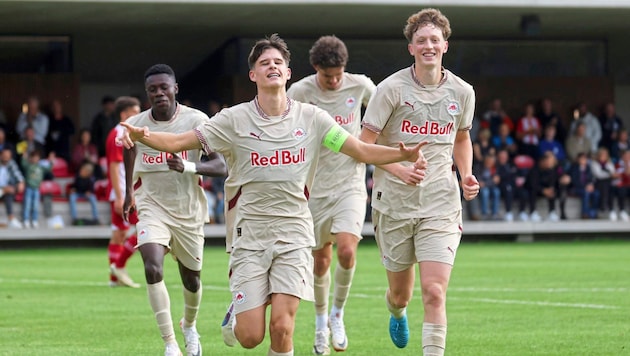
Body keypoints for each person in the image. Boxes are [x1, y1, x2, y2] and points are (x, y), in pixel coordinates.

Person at [119, 38, 426, 356]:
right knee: (251, 336)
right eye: (264, 63)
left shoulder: (313, 119)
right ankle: (238, 311)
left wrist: (398, 155)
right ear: (253, 75)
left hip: (294, 233)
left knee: (282, 327)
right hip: (249, 235)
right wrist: (145, 136)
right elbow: (179, 141)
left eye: (278, 62)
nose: (272, 67)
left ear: (289, 72)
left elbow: (359, 149)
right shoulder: (232, 120)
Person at [357, 9, 479, 355]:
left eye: (434, 40)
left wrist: (466, 173)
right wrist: (398, 168)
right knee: (401, 294)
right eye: (421, 41)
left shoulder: (462, 91)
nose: (428, 46)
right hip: (393, 203)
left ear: (445, 46)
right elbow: (364, 145)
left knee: (435, 291)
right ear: (411, 48)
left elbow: (461, 138)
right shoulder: (390, 89)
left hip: (441, 201)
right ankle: (396, 311)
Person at [121, 65, 228, 356]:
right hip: (151, 205)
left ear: (175, 89)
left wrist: (189, 166)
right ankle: (170, 344)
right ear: (147, 94)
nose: (159, 93)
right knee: (152, 266)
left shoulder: (196, 120)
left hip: (188, 211)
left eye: (164, 87)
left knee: (191, 278)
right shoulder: (136, 123)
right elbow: (129, 147)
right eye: (153, 89)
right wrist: (129, 191)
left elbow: (221, 166)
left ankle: (189, 326)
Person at [286, 34, 377, 355]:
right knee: (320, 261)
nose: (335, 80)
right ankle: (321, 322)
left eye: (338, 74)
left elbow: (384, 114)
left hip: (349, 184)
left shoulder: (360, 86)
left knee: (347, 251)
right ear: (315, 69)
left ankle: (338, 314)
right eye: (327, 76)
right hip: (312, 190)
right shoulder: (299, 92)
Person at [105, 96, 143, 289]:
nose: (138, 115)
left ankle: (114, 279)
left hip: (125, 191)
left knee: (119, 234)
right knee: (143, 230)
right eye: (134, 112)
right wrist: (121, 197)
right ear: (124, 114)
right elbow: (114, 166)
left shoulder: (129, 134)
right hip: (123, 193)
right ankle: (119, 267)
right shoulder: (119, 135)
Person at [20, 148, 50, 228]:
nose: (35, 159)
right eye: (33, 157)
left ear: (39, 158)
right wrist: (24, 156)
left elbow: (49, 168)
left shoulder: (41, 167)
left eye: (37, 157)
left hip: (37, 189)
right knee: (27, 204)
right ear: (31, 158)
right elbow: (23, 163)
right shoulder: (28, 166)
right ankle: (26, 220)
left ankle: (34, 220)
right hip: (29, 188)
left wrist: (51, 161)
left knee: (35, 205)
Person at [68, 160, 100, 225]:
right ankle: (74, 218)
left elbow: (92, 189)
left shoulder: (91, 179)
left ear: (88, 173)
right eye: (81, 170)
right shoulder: (77, 177)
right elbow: (74, 186)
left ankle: (96, 218)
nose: (81, 172)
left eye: (83, 171)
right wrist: (73, 189)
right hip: (78, 193)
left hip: (86, 194)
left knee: (93, 198)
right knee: (72, 197)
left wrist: (89, 192)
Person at [45, 99, 76, 164]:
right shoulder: (48, 120)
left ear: (61, 107)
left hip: (64, 151)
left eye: (57, 106)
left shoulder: (66, 120)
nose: (56, 108)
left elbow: (72, 131)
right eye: (54, 107)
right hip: (51, 151)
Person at [0, 147, 25, 228]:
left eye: (8, 156)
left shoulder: (11, 163)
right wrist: (3, 189)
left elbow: (18, 174)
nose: (6, 158)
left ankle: (11, 218)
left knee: (9, 193)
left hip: (7, 189)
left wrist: (21, 182)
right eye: (4, 156)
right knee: (8, 190)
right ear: (1, 155)